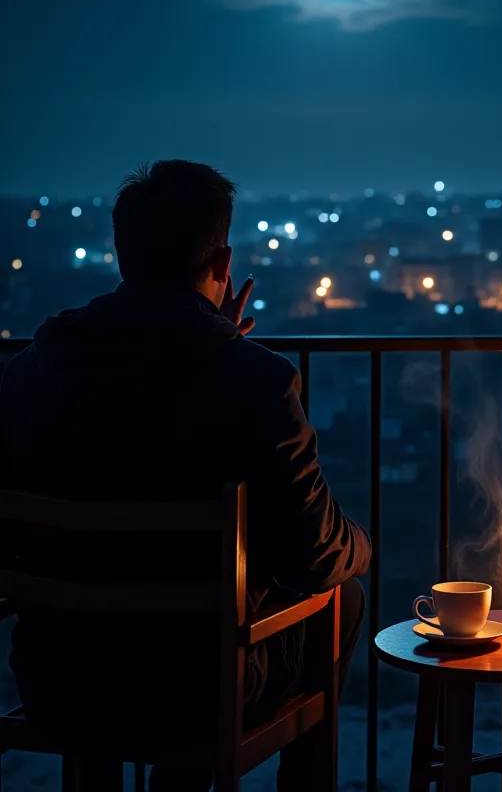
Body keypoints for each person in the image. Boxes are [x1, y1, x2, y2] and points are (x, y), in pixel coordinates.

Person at [0, 160, 371, 792]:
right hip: (196, 696)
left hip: (58, 682)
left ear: (123, 257)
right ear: (223, 264)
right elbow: (315, 556)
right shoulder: (256, 381)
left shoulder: (30, 373)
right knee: (344, 596)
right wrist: (363, 545)